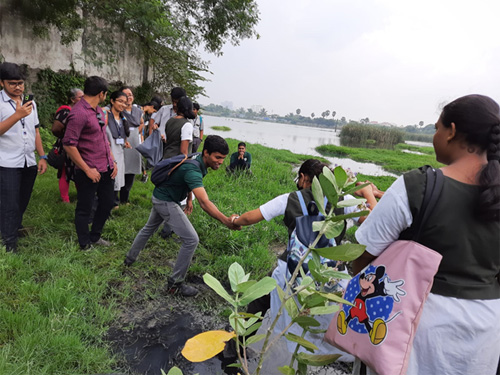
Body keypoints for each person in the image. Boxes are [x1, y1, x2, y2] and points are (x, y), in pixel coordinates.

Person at [351, 94, 500, 375]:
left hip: (417, 331)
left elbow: (360, 257)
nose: (435, 135)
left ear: (452, 131)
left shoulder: (418, 185)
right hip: (485, 334)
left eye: (436, 128)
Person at [124, 135, 240, 297]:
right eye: (217, 157)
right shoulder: (192, 169)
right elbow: (205, 203)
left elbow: (189, 183)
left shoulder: (197, 158)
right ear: (206, 153)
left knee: (148, 229)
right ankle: (175, 284)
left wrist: (189, 198)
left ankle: (129, 260)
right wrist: (226, 221)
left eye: (223, 158)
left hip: (161, 196)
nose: (220, 161)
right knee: (192, 240)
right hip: (166, 201)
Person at [63, 76, 118, 250]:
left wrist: (113, 161)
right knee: (85, 208)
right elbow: (69, 144)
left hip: (106, 167)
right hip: (89, 170)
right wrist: (86, 170)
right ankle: (84, 243)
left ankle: (95, 236)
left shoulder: (98, 110)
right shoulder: (78, 113)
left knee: (108, 202)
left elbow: (103, 139)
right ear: (102, 94)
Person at [0, 62, 48, 253]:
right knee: (9, 203)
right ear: (2, 83)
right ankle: (9, 243)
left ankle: (13, 228)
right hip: (7, 162)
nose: (18, 87)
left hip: (28, 160)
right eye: (12, 83)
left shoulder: (30, 102)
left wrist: (42, 155)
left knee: (22, 200)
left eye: (20, 83)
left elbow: (35, 131)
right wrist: (17, 115)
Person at [51, 88, 84, 203]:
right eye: (80, 97)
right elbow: (56, 129)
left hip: (79, 146)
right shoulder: (65, 111)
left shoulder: (81, 110)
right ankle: (65, 199)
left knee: (79, 169)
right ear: (72, 99)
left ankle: (81, 196)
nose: (83, 99)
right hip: (67, 146)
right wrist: (66, 137)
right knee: (65, 172)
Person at [103, 91, 131, 208]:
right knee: (109, 175)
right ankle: (108, 202)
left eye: (125, 103)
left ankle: (114, 201)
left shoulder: (123, 118)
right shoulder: (106, 114)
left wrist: (125, 142)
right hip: (108, 150)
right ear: (112, 101)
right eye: (120, 101)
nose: (123, 105)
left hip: (119, 151)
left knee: (118, 175)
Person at [119, 86, 144, 204]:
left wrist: (136, 132)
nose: (129, 97)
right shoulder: (119, 109)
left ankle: (125, 198)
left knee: (132, 168)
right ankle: (114, 197)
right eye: (126, 95)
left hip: (134, 140)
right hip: (122, 138)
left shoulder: (138, 110)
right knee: (121, 166)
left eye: (130, 94)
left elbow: (142, 123)